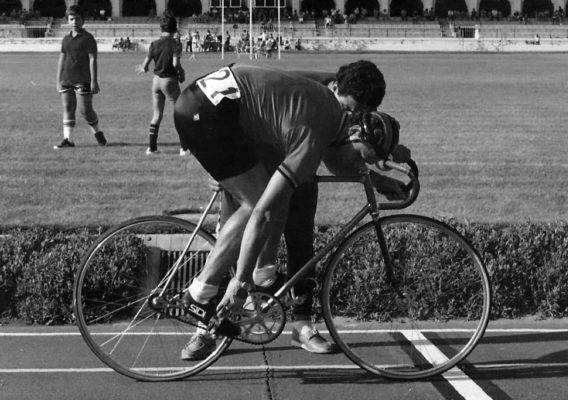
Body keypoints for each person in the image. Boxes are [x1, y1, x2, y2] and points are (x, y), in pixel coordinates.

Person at [173, 63, 409, 360]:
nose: (353, 118)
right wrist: (240, 282)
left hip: (216, 108)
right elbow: (330, 149)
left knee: (282, 208)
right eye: (352, 111)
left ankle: (269, 284)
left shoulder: (329, 110)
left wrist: (386, 159)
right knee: (258, 205)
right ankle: (203, 297)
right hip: (221, 118)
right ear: (336, 86)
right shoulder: (316, 114)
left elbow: (342, 148)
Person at [54, 5, 106, 149]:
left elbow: (92, 60)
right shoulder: (65, 39)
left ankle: (98, 133)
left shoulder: (88, 39)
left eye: (77, 18)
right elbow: (61, 59)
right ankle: (68, 140)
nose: (74, 21)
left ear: (83, 20)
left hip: (83, 79)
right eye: (71, 19)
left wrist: (94, 81)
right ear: (67, 21)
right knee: (68, 107)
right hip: (66, 78)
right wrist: (58, 80)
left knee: (85, 110)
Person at [136, 12, 188, 156]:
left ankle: (151, 148)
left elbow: (145, 66)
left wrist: (142, 68)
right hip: (169, 80)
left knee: (157, 114)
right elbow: (175, 63)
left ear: (161, 28)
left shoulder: (154, 44)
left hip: (156, 81)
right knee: (180, 114)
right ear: (175, 29)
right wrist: (181, 72)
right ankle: (184, 148)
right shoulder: (176, 44)